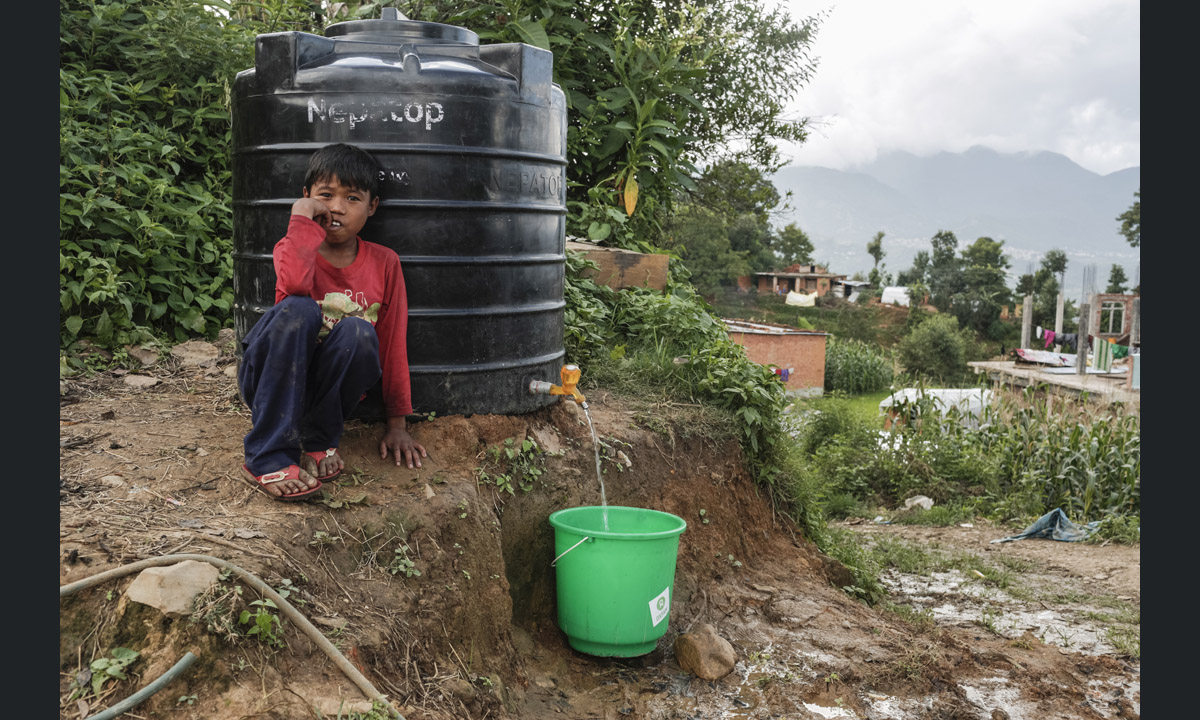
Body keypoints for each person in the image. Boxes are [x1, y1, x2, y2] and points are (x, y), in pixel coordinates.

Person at [237, 143, 427, 501]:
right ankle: (267, 457)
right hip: (273, 382)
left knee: (358, 330)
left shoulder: (385, 263)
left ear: (372, 207)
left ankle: (319, 439)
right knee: (300, 308)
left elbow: (391, 344)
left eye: (353, 198)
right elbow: (293, 287)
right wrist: (302, 217)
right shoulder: (290, 247)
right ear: (308, 196)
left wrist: (398, 425)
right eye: (326, 196)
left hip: (329, 393)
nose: (337, 208)